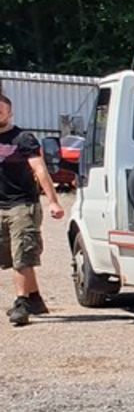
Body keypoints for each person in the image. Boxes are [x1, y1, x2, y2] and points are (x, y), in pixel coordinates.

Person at [0, 90, 67, 326]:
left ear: (10, 112)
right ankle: (35, 298)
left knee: (23, 257)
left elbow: (40, 170)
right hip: (1, 206)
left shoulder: (23, 139)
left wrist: (53, 201)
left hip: (23, 205)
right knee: (11, 257)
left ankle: (21, 304)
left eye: (2, 108)